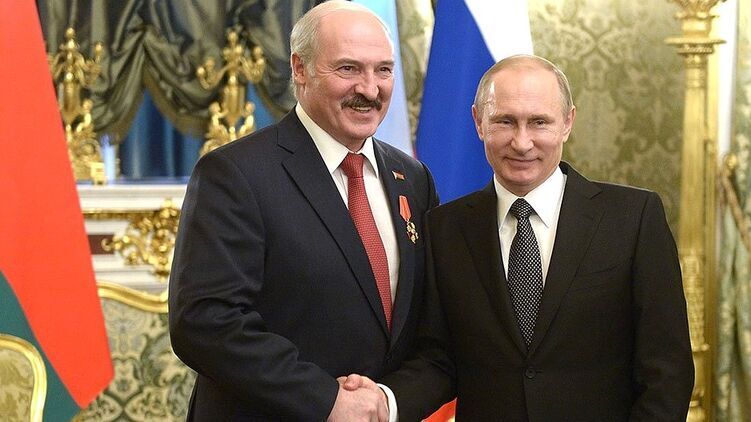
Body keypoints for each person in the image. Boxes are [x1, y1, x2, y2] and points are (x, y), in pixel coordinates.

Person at [347, 55, 694, 421]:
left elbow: (667, 371)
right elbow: (439, 359)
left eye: (539, 122)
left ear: (567, 123)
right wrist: (383, 400)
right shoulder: (444, 229)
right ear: (479, 123)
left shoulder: (633, 218)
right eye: (505, 121)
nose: (522, 142)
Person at [168, 1, 438, 420]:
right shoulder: (235, 174)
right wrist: (326, 400)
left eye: (383, 70)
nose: (370, 89)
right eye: (349, 69)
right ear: (300, 69)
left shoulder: (413, 178)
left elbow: (432, 329)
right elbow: (205, 321)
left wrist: (387, 401)